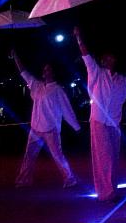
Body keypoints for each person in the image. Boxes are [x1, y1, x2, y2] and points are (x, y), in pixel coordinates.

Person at [73, 26, 126, 202]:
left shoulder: (122, 80)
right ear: (102, 61)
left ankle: (112, 189)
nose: (109, 59)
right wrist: (79, 37)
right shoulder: (96, 73)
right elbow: (86, 56)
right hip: (98, 122)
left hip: (114, 124)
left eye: (112, 57)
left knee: (113, 158)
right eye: (106, 57)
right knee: (104, 157)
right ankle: (107, 193)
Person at [12, 49, 81, 188]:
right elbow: (24, 72)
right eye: (45, 69)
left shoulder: (57, 90)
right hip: (35, 128)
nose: (46, 71)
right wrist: (15, 56)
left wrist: (76, 127)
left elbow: (67, 109)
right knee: (29, 155)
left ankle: (70, 178)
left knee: (57, 155)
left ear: (53, 73)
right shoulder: (36, 85)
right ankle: (24, 179)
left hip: (51, 129)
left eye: (49, 69)